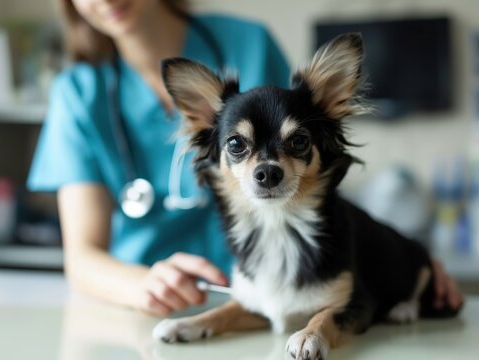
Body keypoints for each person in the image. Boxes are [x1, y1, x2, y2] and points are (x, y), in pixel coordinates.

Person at [27, 0, 464, 317]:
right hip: (147, 307)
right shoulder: (77, 95)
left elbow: (311, 174)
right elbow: (82, 258)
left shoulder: (248, 43)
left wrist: (402, 261)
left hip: (274, 299)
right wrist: (142, 284)